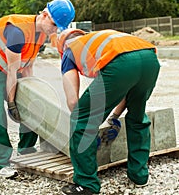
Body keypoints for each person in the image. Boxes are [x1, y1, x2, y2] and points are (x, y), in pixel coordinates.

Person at [0, 0, 75, 178]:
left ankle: (26, 151)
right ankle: (0, 163)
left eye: (59, 27)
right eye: (54, 24)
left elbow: (27, 66)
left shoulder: (42, 33)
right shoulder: (17, 31)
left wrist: (32, 95)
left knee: (32, 103)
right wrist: (12, 103)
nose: (55, 29)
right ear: (44, 15)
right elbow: (12, 71)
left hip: (9, 65)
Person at [55, 28, 160, 194]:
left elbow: (74, 102)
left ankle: (86, 184)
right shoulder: (99, 41)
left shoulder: (69, 51)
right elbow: (125, 87)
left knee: (81, 118)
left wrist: (87, 133)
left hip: (121, 63)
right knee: (137, 117)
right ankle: (139, 176)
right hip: (150, 58)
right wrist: (114, 117)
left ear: (61, 45)